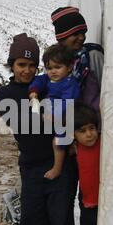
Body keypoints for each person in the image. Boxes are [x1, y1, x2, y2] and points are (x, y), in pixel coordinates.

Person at [0, 33, 78, 225]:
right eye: (22, 64)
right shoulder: (6, 94)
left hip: (62, 166)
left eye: (33, 65)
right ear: (12, 65)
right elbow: (22, 123)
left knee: (61, 222)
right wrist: (54, 115)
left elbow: (68, 111)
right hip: (32, 166)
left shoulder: (48, 83)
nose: (27, 70)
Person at [51, 6, 104, 225]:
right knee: (69, 193)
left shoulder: (92, 57)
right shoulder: (59, 62)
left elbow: (106, 94)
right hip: (70, 139)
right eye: (74, 34)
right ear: (61, 37)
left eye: (82, 32)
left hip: (92, 137)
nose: (80, 38)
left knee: (90, 194)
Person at [28, 44, 80, 180]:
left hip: (66, 116)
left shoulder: (70, 83)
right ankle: (71, 147)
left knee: (57, 141)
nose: (53, 71)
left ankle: (57, 168)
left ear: (69, 67)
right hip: (52, 113)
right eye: (49, 68)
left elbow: (67, 102)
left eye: (58, 67)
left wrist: (54, 114)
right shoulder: (50, 78)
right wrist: (34, 91)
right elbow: (39, 80)